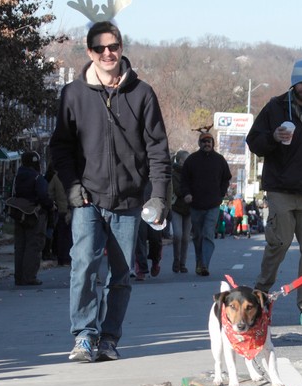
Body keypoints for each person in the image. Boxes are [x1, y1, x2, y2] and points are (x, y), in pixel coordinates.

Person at [49, 20, 171, 363]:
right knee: (84, 265)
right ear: (90, 52)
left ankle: (109, 337)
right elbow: (60, 147)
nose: (108, 53)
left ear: (121, 48)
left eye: (113, 46)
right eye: (100, 48)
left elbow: (158, 149)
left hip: (130, 200)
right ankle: (84, 335)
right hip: (87, 197)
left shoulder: (142, 93)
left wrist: (158, 194)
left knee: (121, 273)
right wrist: (72, 186)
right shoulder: (73, 94)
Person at [247, 59, 302, 310]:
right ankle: (261, 291)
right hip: (280, 189)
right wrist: (273, 137)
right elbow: (253, 141)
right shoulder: (274, 108)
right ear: (294, 82)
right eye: (301, 82)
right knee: (279, 243)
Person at [180, 133, 231, 276]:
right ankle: (199, 262)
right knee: (198, 236)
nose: (206, 144)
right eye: (203, 142)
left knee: (208, 234)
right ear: (199, 143)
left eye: (209, 141)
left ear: (213, 143)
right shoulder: (191, 160)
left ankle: (204, 264)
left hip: (213, 205)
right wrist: (187, 194)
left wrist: (221, 193)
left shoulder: (219, 160)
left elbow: (226, 178)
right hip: (196, 205)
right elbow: (184, 180)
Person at [12, 151, 52, 286]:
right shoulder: (37, 178)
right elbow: (43, 196)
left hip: (19, 214)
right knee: (34, 245)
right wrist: (51, 206)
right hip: (35, 214)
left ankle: (19, 277)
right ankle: (29, 277)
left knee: (20, 246)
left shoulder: (17, 177)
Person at [169, 149, 191, 273]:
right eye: (186, 160)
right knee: (177, 235)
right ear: (181, 161)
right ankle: (176, 260)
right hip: (176, 207)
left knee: (186, 238)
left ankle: (183, 263)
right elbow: (177, 190)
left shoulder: (192, 173)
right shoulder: (174, 174)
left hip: (189, 209)